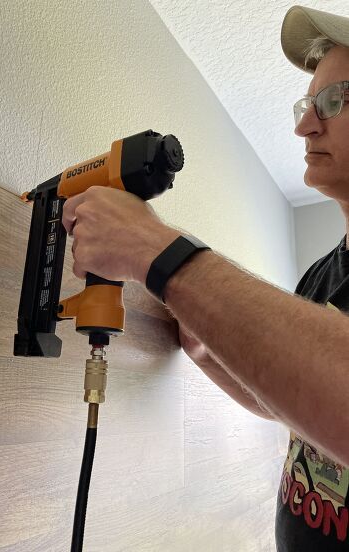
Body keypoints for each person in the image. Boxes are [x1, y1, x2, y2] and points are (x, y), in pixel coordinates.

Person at [62, 5, 349, 550]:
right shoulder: (322, 276)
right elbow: (291, 405)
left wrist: (158, 252)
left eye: (337, 100)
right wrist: (205, 348)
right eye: (308, 104)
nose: (304, 124)